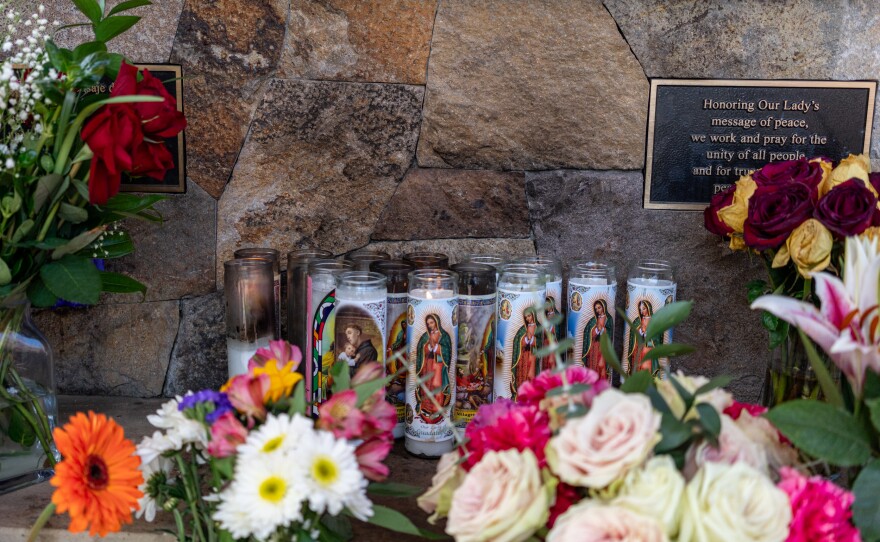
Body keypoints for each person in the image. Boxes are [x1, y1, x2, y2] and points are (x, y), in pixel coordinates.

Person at [415, 314, 452, 421]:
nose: (430, 325)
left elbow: (447, 352)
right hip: (427, 366)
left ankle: (437, 409)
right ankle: (426, 408)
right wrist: (427, 347)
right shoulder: (425, 336)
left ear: (437, 322)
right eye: (428, 324)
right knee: (427, 387)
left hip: (438, 367)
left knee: (437, 386)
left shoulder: (444, 336)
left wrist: (436, 347)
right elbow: (420, 351)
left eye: (432, 322)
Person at [628, 299, 661, 374]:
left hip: (648, 347)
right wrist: (640, 331)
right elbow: (633, 333)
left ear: (648, 308)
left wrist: (648, 333)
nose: (642, 311)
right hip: (639, 347)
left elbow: (657, 334)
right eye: (640, 309)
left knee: (645, 366)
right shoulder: (637, 321)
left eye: (644, 309)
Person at [582, 299, 613, 380]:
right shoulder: (593, 320)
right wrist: (596, 330)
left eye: (599, 307)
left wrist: (603, 330)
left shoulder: (609, 319)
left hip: (603, 347)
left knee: (601, 366)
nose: (598, 310)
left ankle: (602, 385)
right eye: (596, 309)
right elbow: (588, 332)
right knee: (593, 365)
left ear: (604, 307)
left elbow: (610, 332)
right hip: (594, 347)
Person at [511, 309, 538, 399]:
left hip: (533, 356)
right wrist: (525, 339)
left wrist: (533, 340)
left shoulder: (539, 327)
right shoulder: (523, 329)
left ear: (533, 315)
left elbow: (542, 341)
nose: (527, 319)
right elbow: (517, 340)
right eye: (525, 317)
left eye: (529, 316)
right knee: (523, 374)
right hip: (523, 357)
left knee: (531, 375)